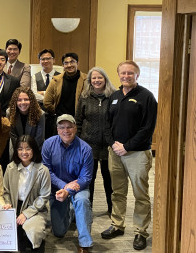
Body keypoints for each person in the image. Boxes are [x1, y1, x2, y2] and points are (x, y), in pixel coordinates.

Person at [100, 60, 157, 251]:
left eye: (130, 73)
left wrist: (127, 146)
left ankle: (140, 231)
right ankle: (117, 224)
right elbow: (107, 124)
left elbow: (147, 128)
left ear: (137, 75)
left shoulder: (146, 97)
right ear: (118, 75)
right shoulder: (114, 96)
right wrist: (113, 144)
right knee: (118, 191)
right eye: (123, 73)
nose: (126, 76)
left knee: (140, 194)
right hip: (115, 152)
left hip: (137, 153)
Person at [42, 114, 94, 253]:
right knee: (58, 232)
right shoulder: (48, 144)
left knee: (82, 201)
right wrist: (64, 187)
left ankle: (85, 243)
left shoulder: (86, 149)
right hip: (57, 190)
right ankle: (71, 212)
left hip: (78, 188)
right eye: (62, 127)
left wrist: (69, 191)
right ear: (57, 129)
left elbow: (86, 178)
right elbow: (47, 171)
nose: (66, 130)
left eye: (70, 127)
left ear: (75, 128)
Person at [75, 67, 116, 215]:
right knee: (88, 180)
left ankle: (113, 210)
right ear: (90, 81)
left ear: (105, 79)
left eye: (100, 77)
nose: (97, 80)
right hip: (88, 145)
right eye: (94, 78)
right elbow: (78, 121)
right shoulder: (84, 97)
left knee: (109, 179)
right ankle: (87, 208)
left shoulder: (114, 96)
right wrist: (77, 143)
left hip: (108, 146)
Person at [3, 135, 50, 252]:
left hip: (35, 208)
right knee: (13, 237)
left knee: (33, 230)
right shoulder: (10, 168)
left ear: (33, 150)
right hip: (14, 206)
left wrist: (26, 213)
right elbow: (6, 191)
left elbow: (43, 197)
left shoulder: (42, 170)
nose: (24, 152)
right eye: (20, 149)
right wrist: (8, 206)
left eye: (28, 148)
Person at [44, 52, 87, 139]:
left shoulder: (86, 80)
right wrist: (57, 112)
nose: (69, 65)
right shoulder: (56, 80)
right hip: (60, 120)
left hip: (78, 121)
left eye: (72, 62)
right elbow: (47, 102)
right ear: (63, 65)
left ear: (77, 63)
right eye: (66, 63)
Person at [8, 87, 45, 152]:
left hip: (35, 149)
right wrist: (21, 151)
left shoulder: (40, 114)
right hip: (17, 148)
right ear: (15, 101)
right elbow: (13, 136)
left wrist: (28, 152)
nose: (23, 102)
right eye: (19, 100)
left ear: (31, 100)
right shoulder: (9, 113)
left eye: (26, 99)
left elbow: (39, 138)